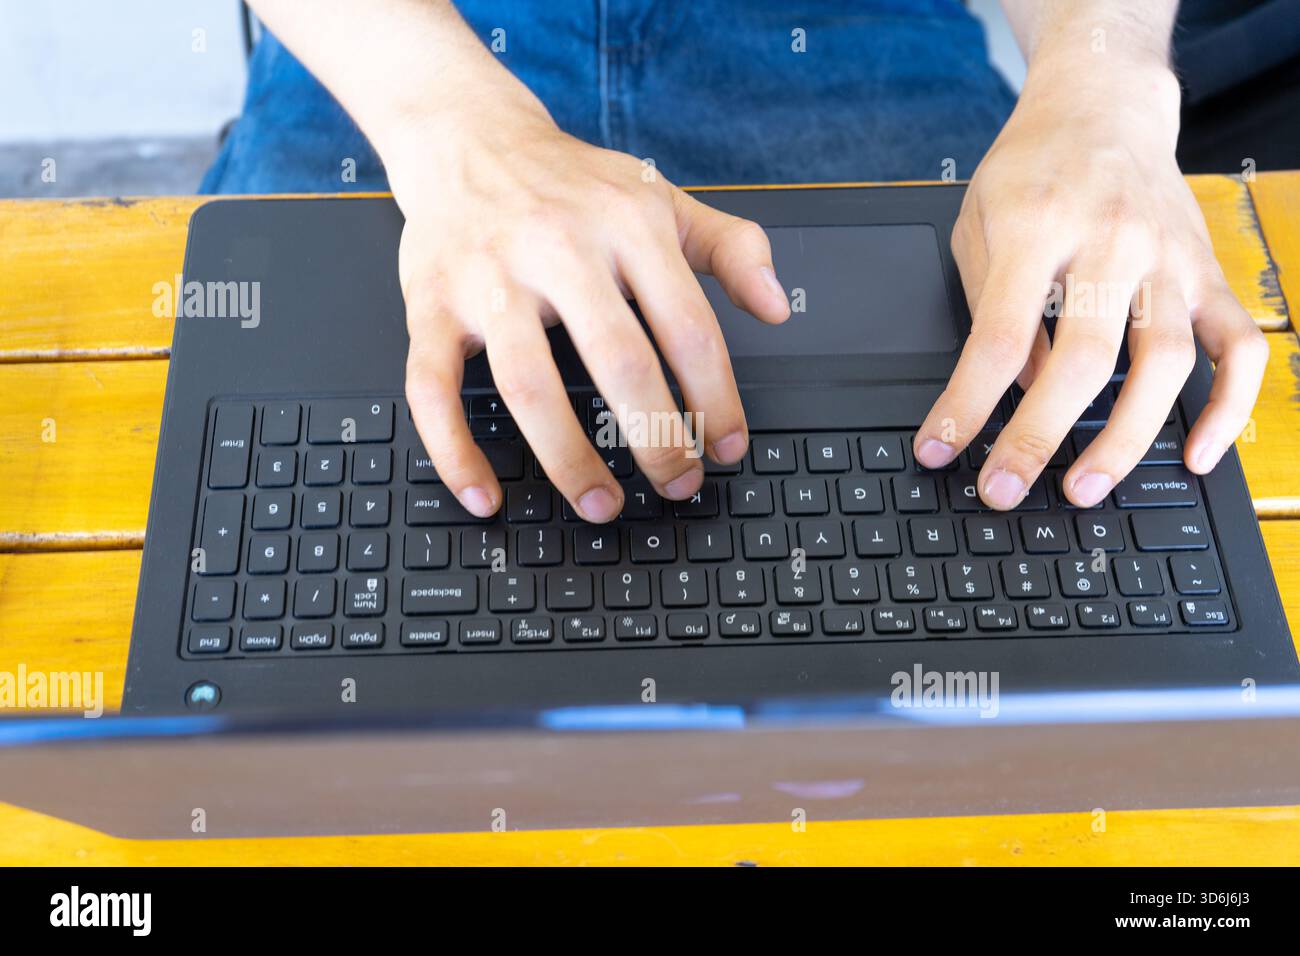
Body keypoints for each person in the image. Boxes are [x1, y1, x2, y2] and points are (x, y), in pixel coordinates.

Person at [204, 0, 1268, 523]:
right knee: (317, 506)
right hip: (404, 46)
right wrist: (446, 119)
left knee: (1040, 468)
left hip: (843, 32)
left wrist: (1106, 84)